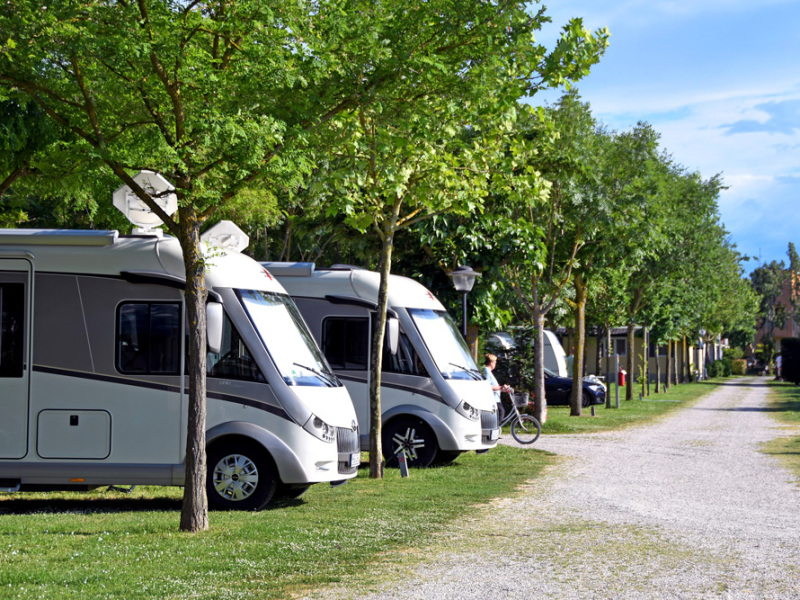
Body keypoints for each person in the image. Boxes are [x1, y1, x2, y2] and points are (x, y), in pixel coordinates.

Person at [483, 353, 510, 423]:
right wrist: (500, 387)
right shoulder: (486, 371)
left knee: (500, 413)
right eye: (495, 362)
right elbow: (487, 386)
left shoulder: (489, 372)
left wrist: (501, 389)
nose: (495, 364)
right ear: (491, 363)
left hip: (496, 398)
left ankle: (495, 428)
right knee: (501, 412)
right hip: (493, 399)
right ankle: (495, 429)